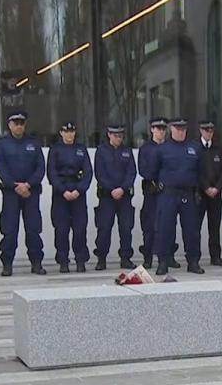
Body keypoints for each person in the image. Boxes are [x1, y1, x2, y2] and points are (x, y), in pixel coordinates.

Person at [0, 110, 46, 276]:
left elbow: (40, 167)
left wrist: (28, 185)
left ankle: (36, 263)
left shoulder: (33, 143)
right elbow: (1, 168)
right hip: (11, 193)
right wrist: (15, 186)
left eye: (21, 123)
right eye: (15, 123)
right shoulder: (2, 144)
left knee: (33, 229)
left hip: (31, 193)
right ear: (9, 125)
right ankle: (7, 264)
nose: (18, 126)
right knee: (9, 230)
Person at [151, 118, 204, 275]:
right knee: (164, 229)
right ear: (171, 129)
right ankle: (163, 262)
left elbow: (200, 170)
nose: (180, 131)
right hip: (168, 194)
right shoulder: (162, 149)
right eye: (177, 128)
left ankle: (193, 262)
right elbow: (153, 171)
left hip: (188, 194)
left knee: (192, 230)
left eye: (183, 129)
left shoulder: (194, 147)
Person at [47, 122, 92, 273]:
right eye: (66, 131)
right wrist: (63, 190)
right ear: (61, 133)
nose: (69, 134)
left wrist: (79, 190)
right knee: (61, 229)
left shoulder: (81, 149)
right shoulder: (55, 150)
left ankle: (80, 260)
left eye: (72, 131)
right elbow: (52, 173)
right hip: (61, 195)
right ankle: (63, 261)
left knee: (80, 229)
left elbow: (88, 173)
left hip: (78, 193)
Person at [93, 123, 137, 270]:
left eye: (120, 136)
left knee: (125, 228)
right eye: (116, 136)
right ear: (109, 135)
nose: (118, 138)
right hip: (107, 197)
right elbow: (99, 173)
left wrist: (122, 188)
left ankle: (125, 258)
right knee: (104, 228)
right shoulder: (101, 151)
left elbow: (131, 172)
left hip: (124, 197)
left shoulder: (127, 151)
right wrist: (112, 189)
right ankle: (101, 258)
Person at [138, 117, 178, 269]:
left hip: (168, 192)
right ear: (152, 130)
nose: (161, 131)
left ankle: (169, 256)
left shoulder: (170, 147)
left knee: (169, 225)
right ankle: (148, 257)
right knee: (149, 226)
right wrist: (156, 180)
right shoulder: (146, 148)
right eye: (158, 128)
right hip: (152, 191)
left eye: (163, 129)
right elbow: (143, 169)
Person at [197, 120, 222, 266]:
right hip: (200, 194)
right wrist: (206, 187)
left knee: (214, 227)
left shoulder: (218, 148)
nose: (209, 133)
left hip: (216, 194)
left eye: (211, 130)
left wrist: (217, 188)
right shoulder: (195, 148)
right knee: (195, 227)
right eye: (206, 130)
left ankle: (216, 256)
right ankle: (194, 257)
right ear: (201, 131)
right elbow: (196, 171)